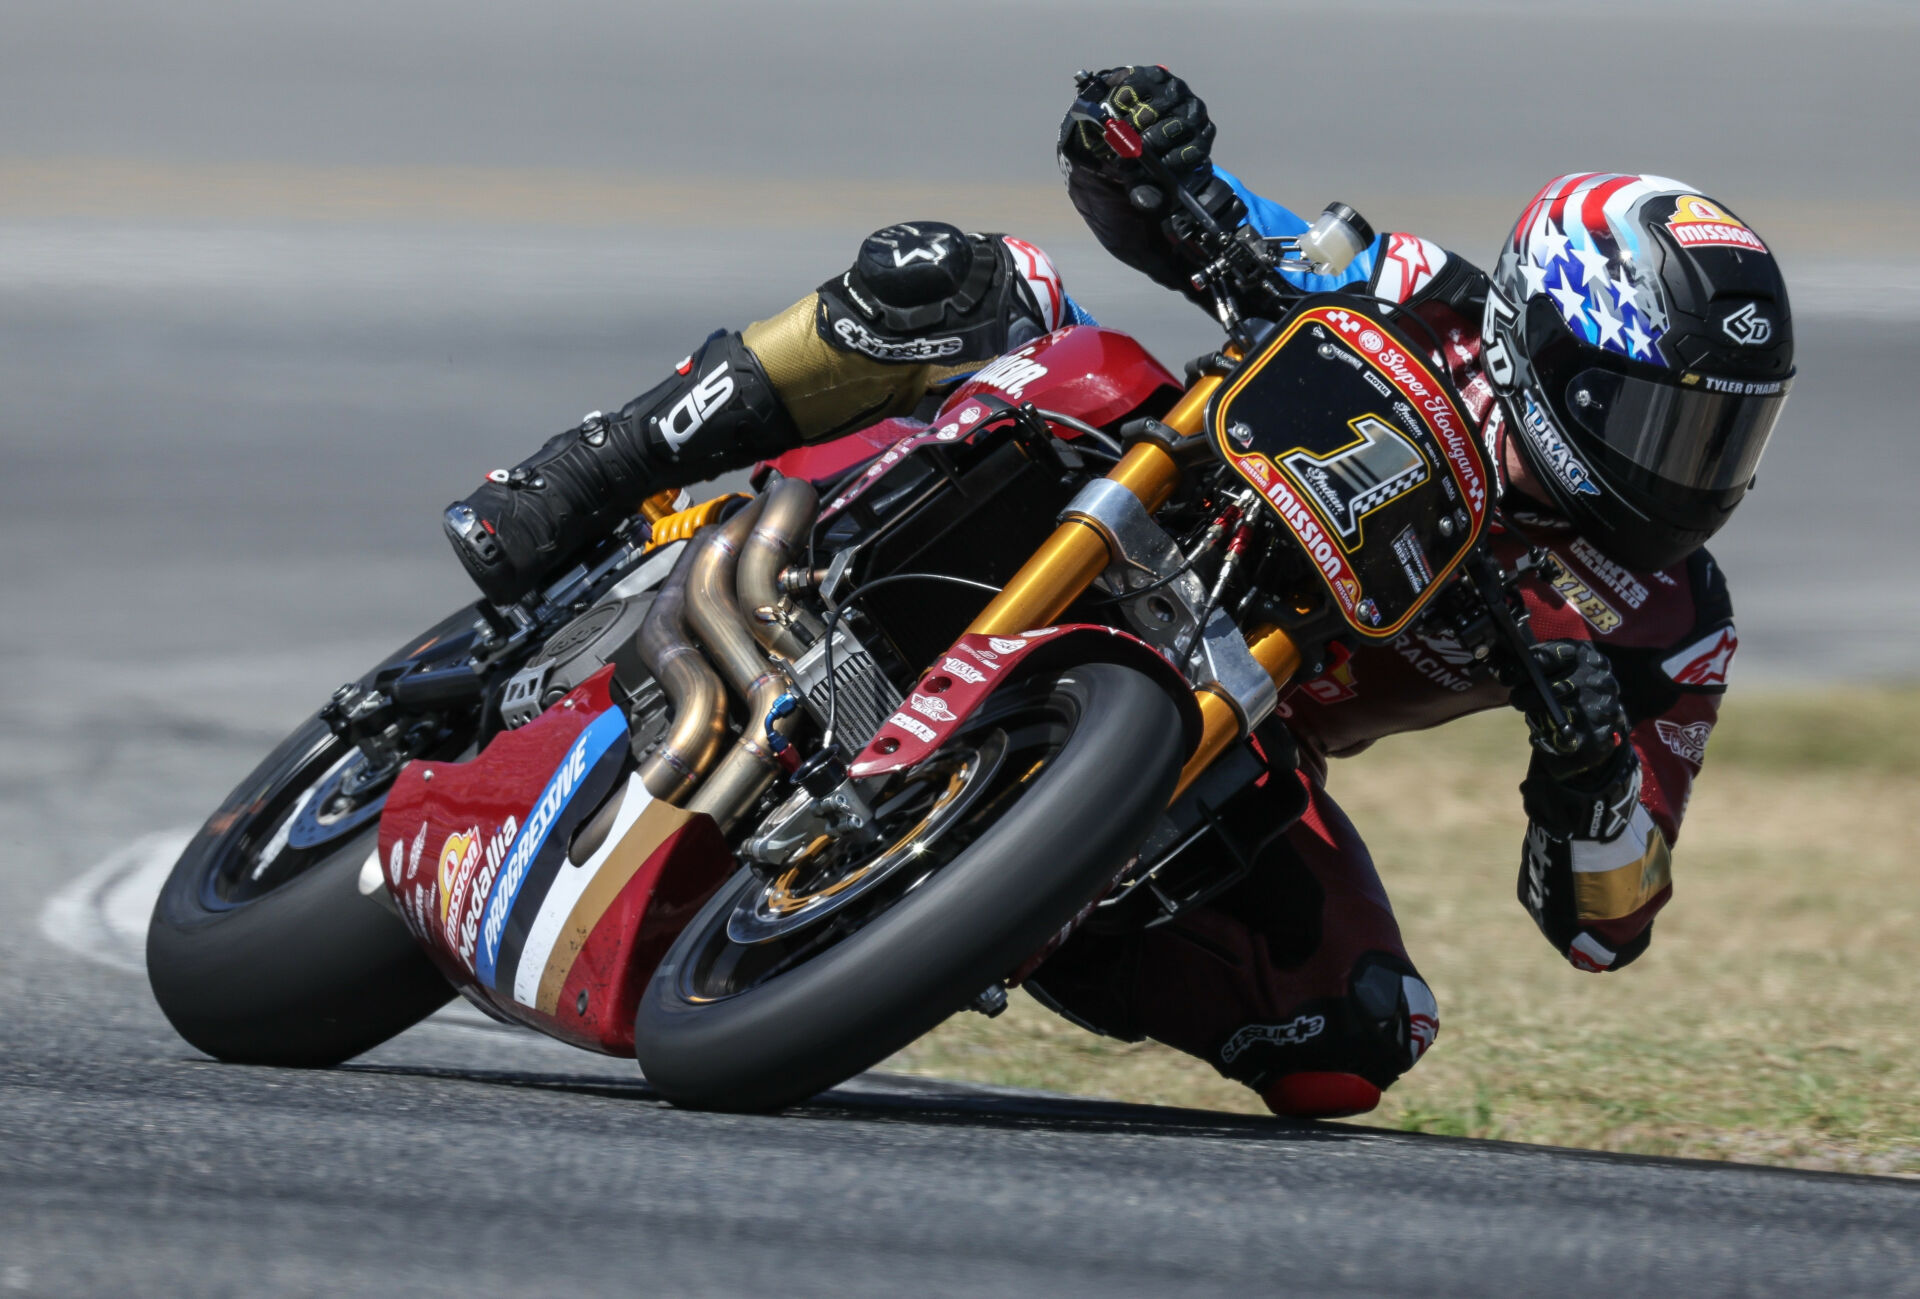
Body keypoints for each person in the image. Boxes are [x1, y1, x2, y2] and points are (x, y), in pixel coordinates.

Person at [441, 65, 1795, 1119]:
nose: (1684, 473)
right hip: (1096, 503)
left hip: (1230, 735)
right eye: (1652, 419)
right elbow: (1204, 220)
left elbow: (1607, 929)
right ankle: (588, 474)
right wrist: (1147, 146)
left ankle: (996, 901)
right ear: (1539, 337)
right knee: (982, 284)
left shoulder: (1670, 620)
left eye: (1721, 435)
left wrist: (1587, 775)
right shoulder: (1415, 294)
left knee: (1356, 1038)